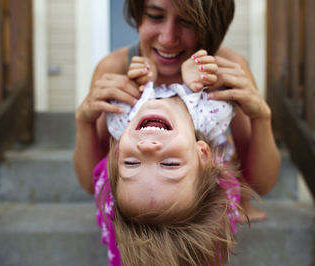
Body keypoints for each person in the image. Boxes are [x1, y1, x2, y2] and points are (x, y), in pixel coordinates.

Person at [73, 0, 280, 264]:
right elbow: (90, 182)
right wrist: (84, 122)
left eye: (187, 22)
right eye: (155, 16)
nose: (169, 38)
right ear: (139, 16)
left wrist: (261, 117)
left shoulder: (226, 68)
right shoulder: (115, 69)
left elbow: (262, 184)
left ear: (212, 27)